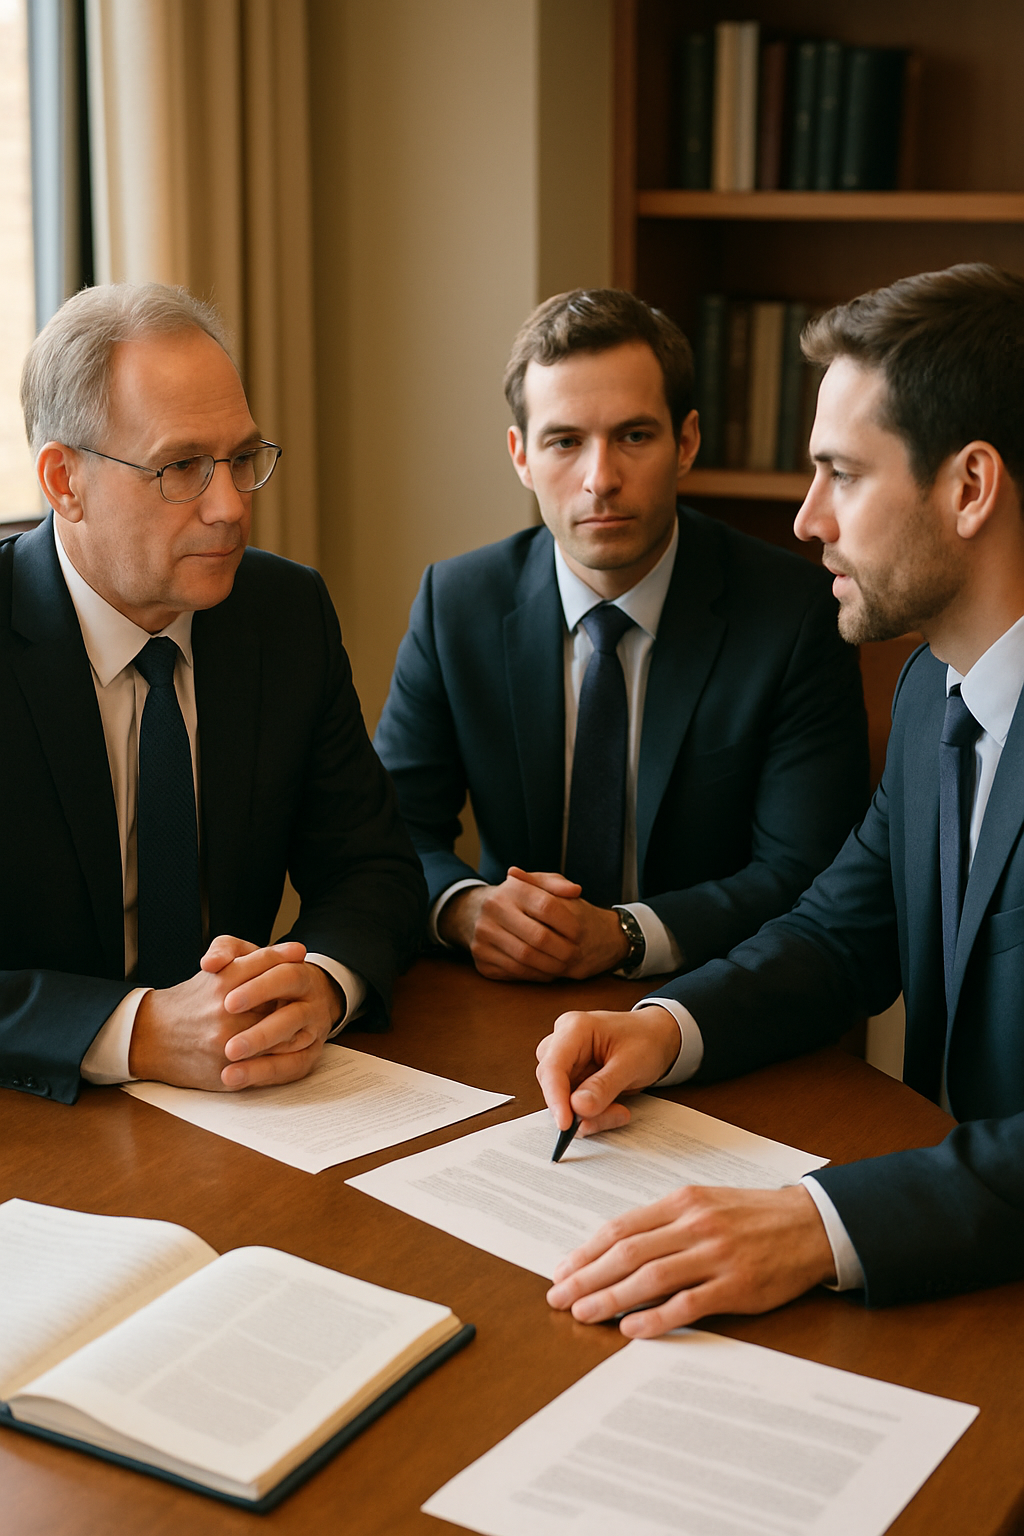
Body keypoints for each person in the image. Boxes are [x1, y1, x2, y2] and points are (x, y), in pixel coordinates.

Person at [536, 262, 1024, 1332]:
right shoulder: (936, 681)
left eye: (841, 474)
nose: (806, 521)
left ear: (970, 486)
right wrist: (664, 1028)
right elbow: (841, 933)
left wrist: (817, 1224)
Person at [2, 282, 426, 1105]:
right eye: (183, 468)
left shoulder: (283, 613)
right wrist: (137, 1029)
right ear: (64, 482)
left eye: (241, 459)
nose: (231, 507)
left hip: (253, 1113)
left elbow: (373, 870)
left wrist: (323, 984)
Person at [374, 289, 868, 985]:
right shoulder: (456, 605)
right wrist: (467, 909)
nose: (599, 479)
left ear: (685, 442)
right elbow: (389, 834)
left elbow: (805, 868)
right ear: (521, 455)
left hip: (715, 989)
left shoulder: (791, 615)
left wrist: (628, 936)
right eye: (565, 441)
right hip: (506, 994)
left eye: (633, 436)